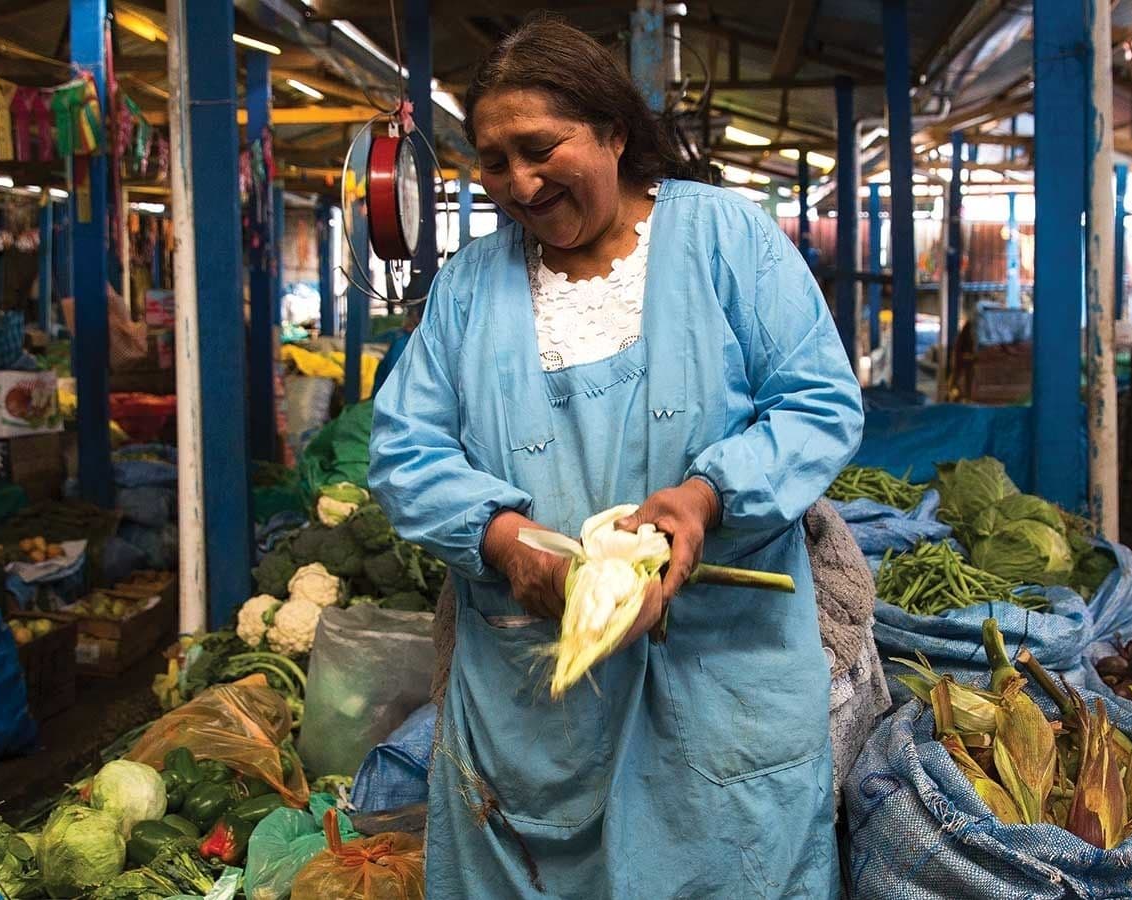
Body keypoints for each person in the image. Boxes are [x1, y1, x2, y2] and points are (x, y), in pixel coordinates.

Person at [367, 16, 863, 898]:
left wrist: (708, 497)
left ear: (614, 133)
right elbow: (405, 449)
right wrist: (501, 538)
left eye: (539, 147)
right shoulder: (469, 287)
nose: (517, 182)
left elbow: (820, 403)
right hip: (531, 718)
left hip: (722, 693)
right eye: (491, 160)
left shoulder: (725, 240)